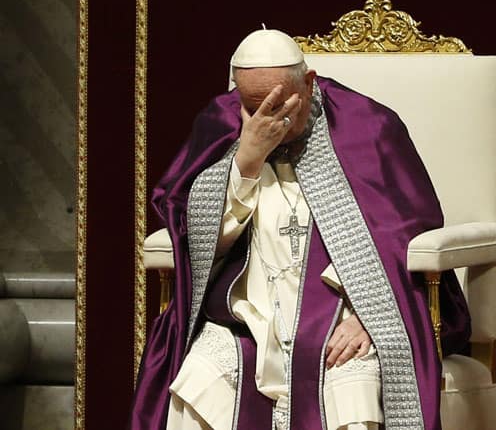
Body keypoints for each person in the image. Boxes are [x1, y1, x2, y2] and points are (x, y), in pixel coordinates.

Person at [130, 29, 471, 430]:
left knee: (349, 389)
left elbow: (401, 235)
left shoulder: (369, 127)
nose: (267, 118)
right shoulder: (220, 125)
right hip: (244, 319)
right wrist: (246, 160)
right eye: (254, 106)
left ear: (308, 83)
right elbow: (195, 234)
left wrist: (372, 314)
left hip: (345, 315)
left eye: (279, 103)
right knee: (200, 381)